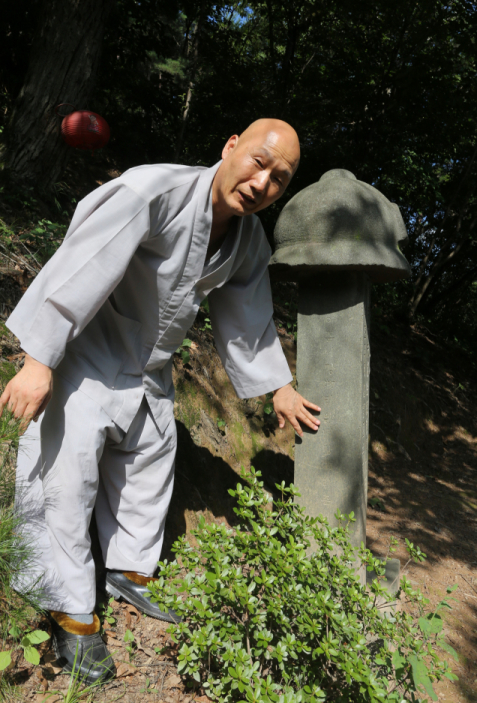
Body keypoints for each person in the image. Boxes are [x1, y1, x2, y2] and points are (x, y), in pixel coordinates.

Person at [1, 118, 321, 683]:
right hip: (88, 348)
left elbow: (246, 317)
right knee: (65, 474)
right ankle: (69, 606)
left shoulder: (248, 240)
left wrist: (279, 385)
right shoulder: (152, 190)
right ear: (230, 147)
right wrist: (39, 360)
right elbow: (80, 262)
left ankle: (128, 570)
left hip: (150, 365)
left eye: (279, 178)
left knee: (150, 462)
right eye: (257, 161)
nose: (261, 181)